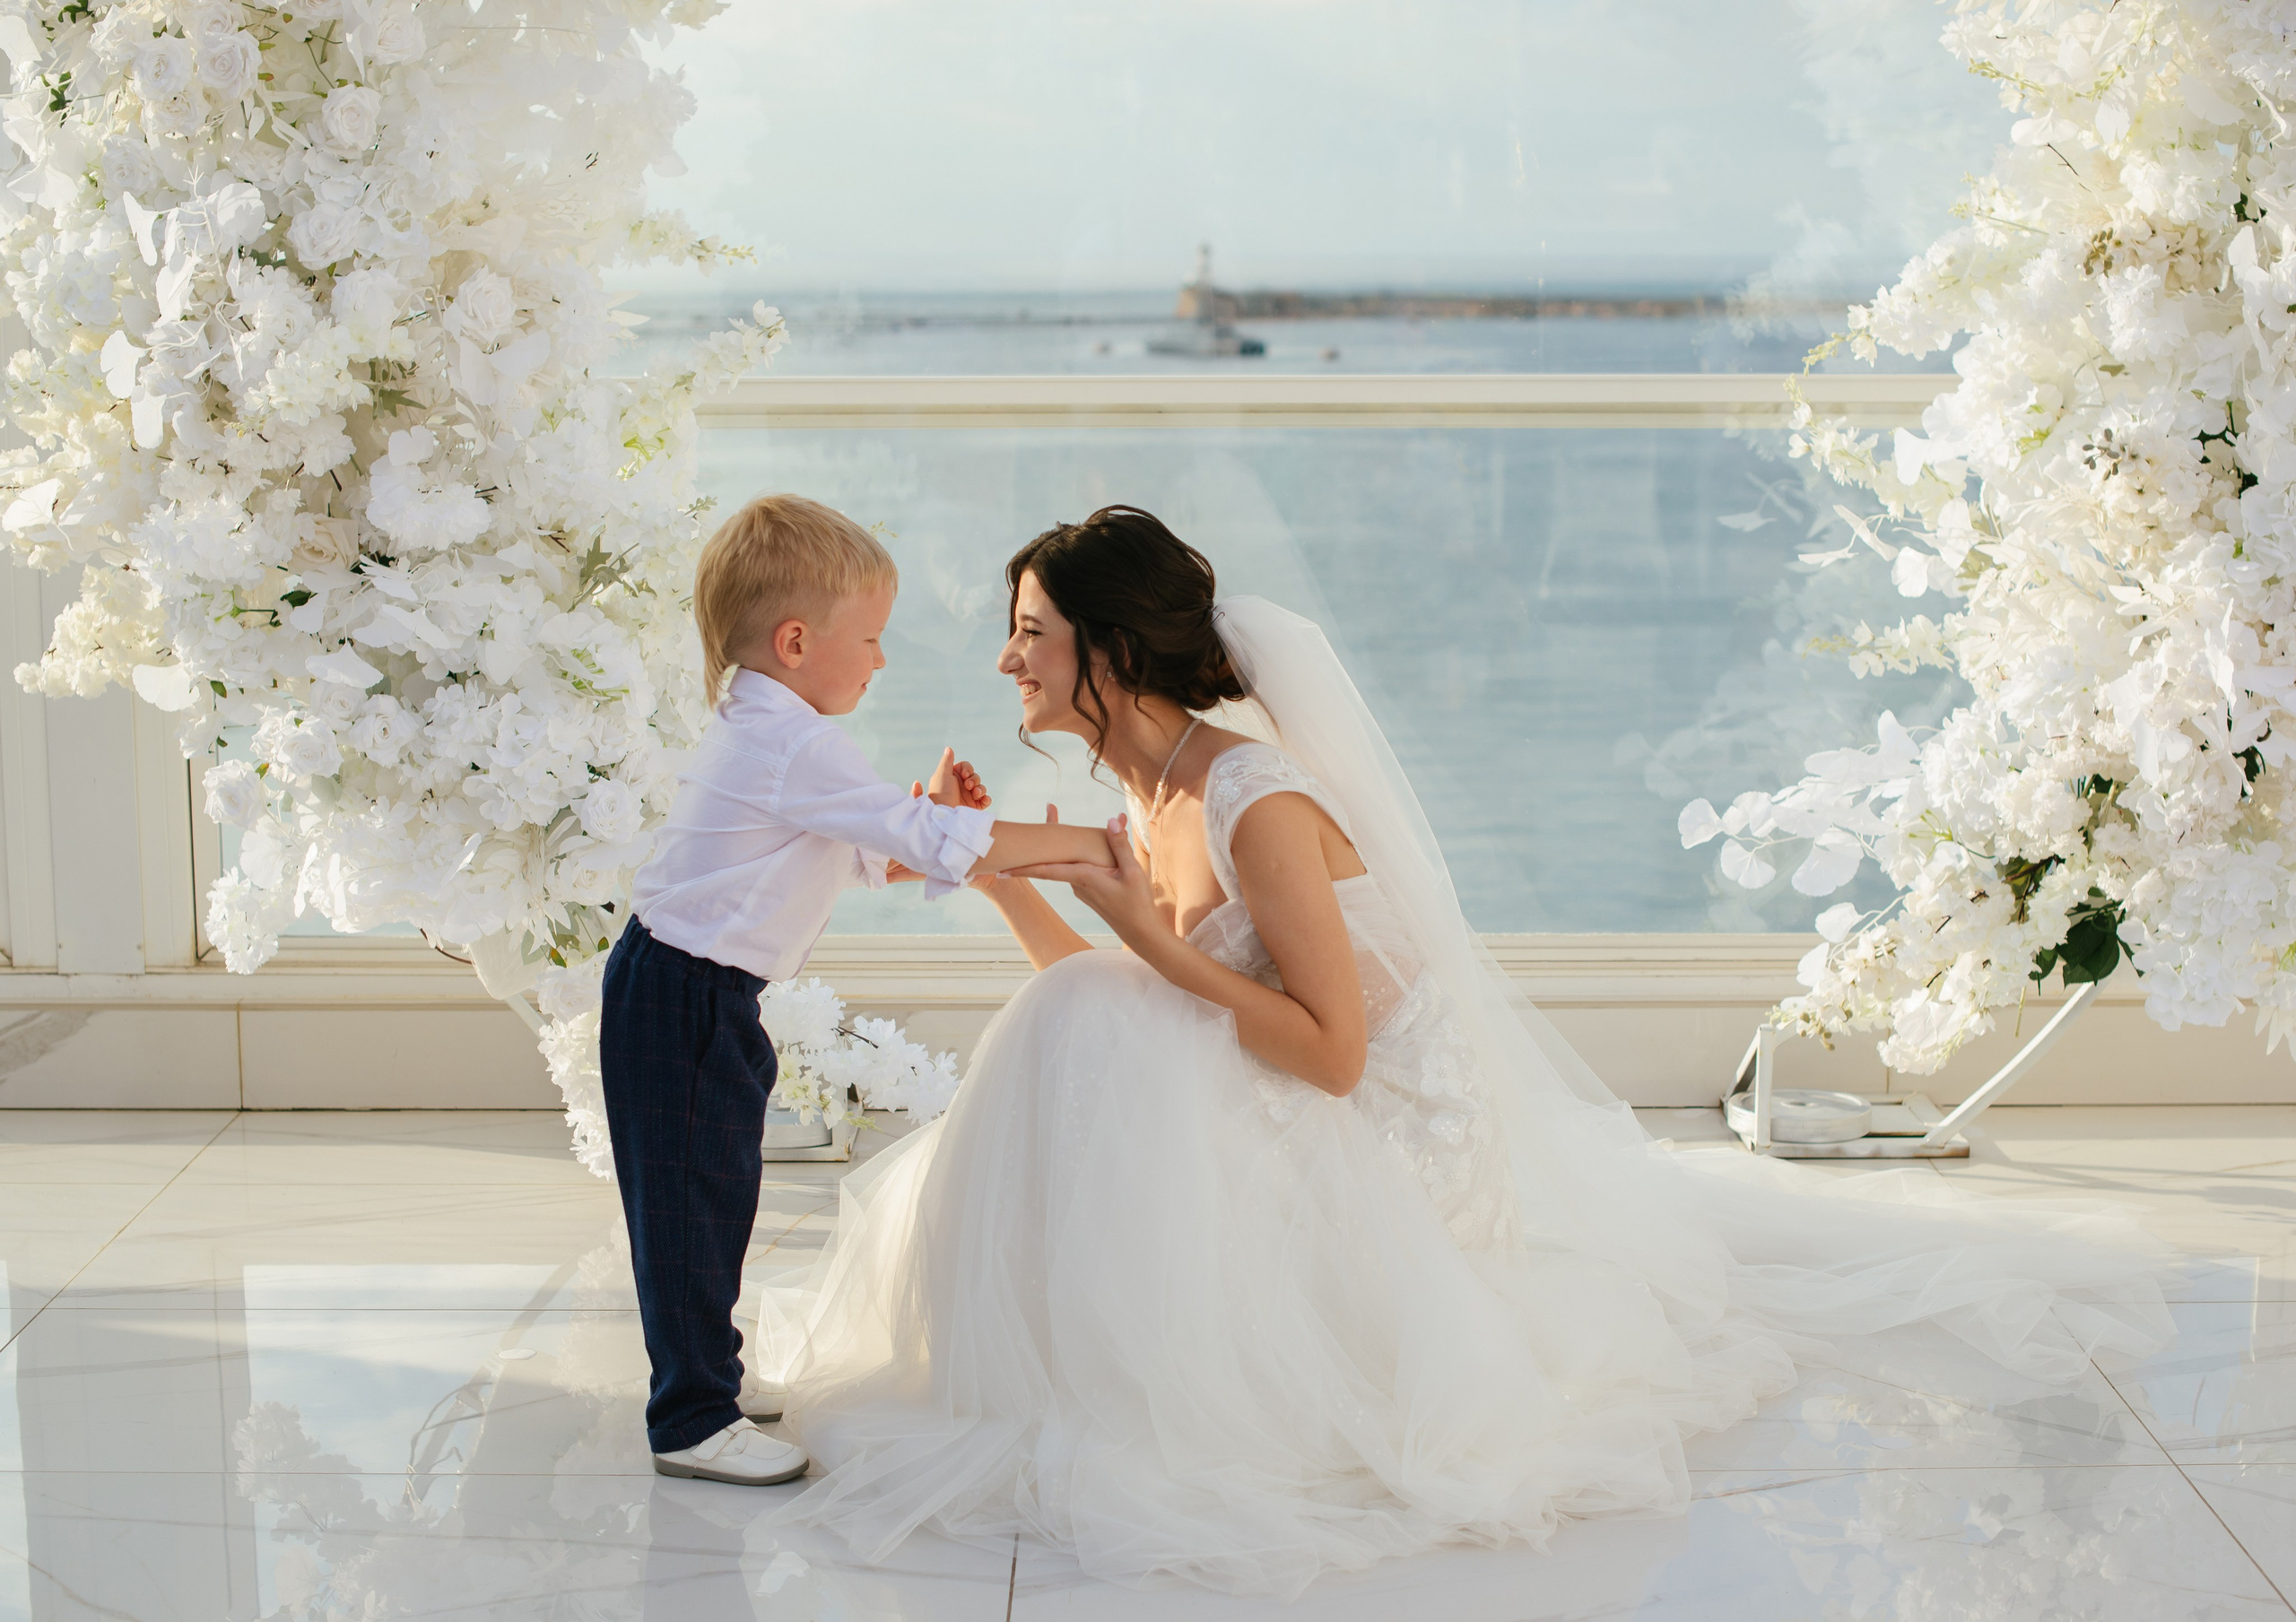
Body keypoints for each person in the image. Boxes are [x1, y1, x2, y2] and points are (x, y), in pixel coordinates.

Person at [751, 506, 2180, 1597]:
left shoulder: (1252, 802)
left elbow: (1331, 1056)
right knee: (1073, 1025)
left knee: (1087, 1029)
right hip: (1274, 1089)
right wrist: (1003, 877)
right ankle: (1056, 1360)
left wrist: (1141, 933)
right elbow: (1135, 1010)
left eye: (1031, 631)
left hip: (1393, 1142)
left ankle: (1107, 1368)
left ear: (1111, 652)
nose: (1007, 658)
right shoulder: (1148, 791)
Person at [600, 494, 1118, 1488]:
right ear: (796, 642)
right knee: (687, 1205)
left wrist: (930, 819)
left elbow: (857, 853)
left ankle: (707, 1373)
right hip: (683, 993)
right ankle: (690, 1416)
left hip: (695, 990)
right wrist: (1085, 844)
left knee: (714, 1194)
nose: (881, 661)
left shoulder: (778, 732)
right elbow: (911, 840)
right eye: (872, 639)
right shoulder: (791, 742)